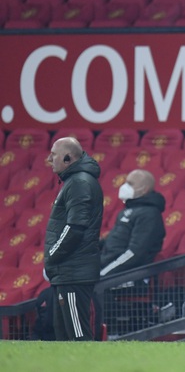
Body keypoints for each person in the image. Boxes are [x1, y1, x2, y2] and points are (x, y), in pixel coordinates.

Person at [44, 137, 103, 341]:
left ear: (68, 158)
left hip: (74, 273)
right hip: (68, 272)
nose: (49, 158)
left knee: (79, 338)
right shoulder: (74, 181)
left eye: (54, 154)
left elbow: (75, 228)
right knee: (65, 339)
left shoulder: (79, 182)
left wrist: (52, 256)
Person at [99, 169, 166, 277]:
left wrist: (103, 275)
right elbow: (113, 241)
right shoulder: (125, 212)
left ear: (144, 190)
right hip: (107, 269)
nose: (124, 187)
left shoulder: (150, 215)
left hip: (127, 277)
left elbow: (135, 253)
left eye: (130, 184)